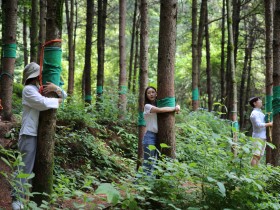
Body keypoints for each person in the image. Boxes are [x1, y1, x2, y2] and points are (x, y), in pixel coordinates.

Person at [12, 62, 67, 210]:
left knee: (31, 169)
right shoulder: (29, 90)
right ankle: (17, 200)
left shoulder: (39, 89)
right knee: (24, 168)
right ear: (35, 76)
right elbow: (42, 102)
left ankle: (25, 200)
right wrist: (58, 100)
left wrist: (57, 89)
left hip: (36, 134)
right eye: (39, 74)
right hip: (28, 134)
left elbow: (65, 95)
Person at [142, 86, 180, 175]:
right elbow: (160, 110)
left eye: (153, 92)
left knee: (157, 163)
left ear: (156, 93)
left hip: (160, 136)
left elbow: (168, 107)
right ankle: (142, 185)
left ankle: (152, 185)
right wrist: (175, 108)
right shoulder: (147, 106)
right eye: (148, 93)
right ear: (146, 96)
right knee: (149, 163)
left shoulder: (159, 104)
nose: (151, 94)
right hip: (150, 136)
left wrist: (177, 106)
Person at [249, 96, 273, 167]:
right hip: (257, 137)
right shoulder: (254, 113)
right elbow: (258, 125)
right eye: (259, 101)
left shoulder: (261, 113)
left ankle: (255, 171)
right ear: (254, 103)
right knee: (256, 155)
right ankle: (252, 171)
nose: (261, 102)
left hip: (263, 137)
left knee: (259, 156)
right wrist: (270, 124)